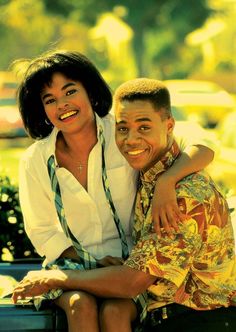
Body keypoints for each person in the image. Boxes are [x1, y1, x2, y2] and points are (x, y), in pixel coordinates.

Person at [12, 53, 218, 332]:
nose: (63, 105)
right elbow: (43, 231)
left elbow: (202, 145)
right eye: (50, 100)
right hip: (70, 266)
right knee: (79, 305)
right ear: (42, 109)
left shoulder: (123, 132)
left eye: (70, 91)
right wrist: (93, 263)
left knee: (115, 310)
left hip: (129, 268)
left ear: (90, 91)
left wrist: (167, 181)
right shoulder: (35, 159)